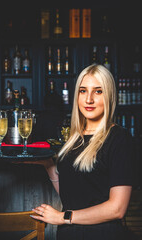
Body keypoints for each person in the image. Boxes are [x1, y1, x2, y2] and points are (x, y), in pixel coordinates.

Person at [30, 64, 135, 240]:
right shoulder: (74, 138)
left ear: (109, 96)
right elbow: (74, 196)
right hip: (69, 234)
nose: (89, 99)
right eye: (83, 91)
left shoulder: (119, 138)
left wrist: (63, 217)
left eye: (98, 91)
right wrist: (49, 166)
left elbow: (117, 209)